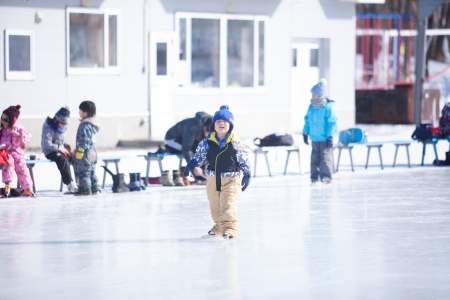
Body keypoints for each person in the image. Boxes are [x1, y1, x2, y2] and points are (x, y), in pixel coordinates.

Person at [184, 105, 251, 239]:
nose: (221, 123)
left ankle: (230, 228)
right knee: (214, 206)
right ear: (213, 125)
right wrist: (192, 164)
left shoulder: (235, 142)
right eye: (218, 121)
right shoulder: (207, 143)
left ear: (230, 125)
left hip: (232, 178)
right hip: (213, 179)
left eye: (225, 121)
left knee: (228, 204)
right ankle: (219, 226)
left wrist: (247, 173)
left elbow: (243, 159)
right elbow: (199, 157)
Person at [162, 111, 212, 186]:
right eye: (208, 131)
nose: (208, 133)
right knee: (191, 152)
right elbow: (186, 150)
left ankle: (202, 174)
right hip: (171, 141)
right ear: (204, 126)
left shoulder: (203, 126)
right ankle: (198, 177)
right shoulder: (192, 127)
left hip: (183, 139)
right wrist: (194, 167)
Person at [302, 80, 337, 184]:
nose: (312, 96)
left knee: (325, 159)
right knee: (314, 159)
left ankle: (326, 177)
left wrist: (330, 136)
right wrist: (305, 132)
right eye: (312, 94)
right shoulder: (311, 107)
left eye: (314, 94)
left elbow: (332, 123)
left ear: (319, 95)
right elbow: (307, 120)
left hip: (325, 139)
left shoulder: (327, 107)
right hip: (314, 138)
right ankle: (314, 177)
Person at [41, 107, 77, 193]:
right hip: (50, 151)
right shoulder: (48, 126)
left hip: (60, 148)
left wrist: (66, 146)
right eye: (62, 123)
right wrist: (59, 148)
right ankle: (70, 184)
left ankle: (81, 182)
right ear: (57, 120)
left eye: (65, 124)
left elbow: (60, 141)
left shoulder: (63, 127)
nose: (63, 125)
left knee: (75, 158)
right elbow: (46, 144)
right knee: (62, 159)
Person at [0, 105, 34, 197]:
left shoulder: (18, 128)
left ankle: (27, 188)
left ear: (12, 120)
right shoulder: (2, 131)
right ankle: (7, 185)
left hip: (17, 153)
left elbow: (28, 136)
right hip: (6, 153)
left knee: (22, 168)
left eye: (5, 119)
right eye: (2, 118)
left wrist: (22, 139)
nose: (3, 121)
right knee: (8, 164)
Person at [73, 101, 100, 195]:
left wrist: (78, 154)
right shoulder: (93, 125)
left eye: (80, 111)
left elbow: (83, 142)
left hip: (85, 152)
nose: (79, 113)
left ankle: (85, 189)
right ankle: (95, 188)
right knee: (91, 171)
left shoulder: (84, 125)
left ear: (85, 112)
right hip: (93, 152)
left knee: (84, 173)